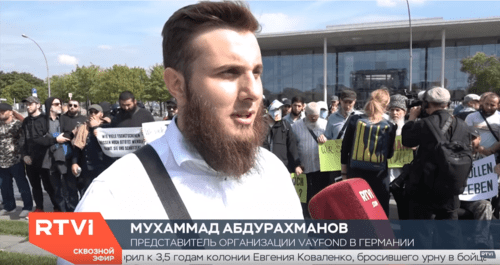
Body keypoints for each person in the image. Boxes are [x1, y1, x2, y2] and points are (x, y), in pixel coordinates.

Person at [73, 1, 303, 220]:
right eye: (229, 73)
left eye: (256, 72)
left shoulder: (274, 174)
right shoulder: (114, 199)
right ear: (176, 84)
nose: (253, 92)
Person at [402, 86, 471, 249]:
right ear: (447, 104)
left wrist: (412, 118)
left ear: (427, 104)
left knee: (422, 232)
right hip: (451, 186)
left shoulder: (425, 124)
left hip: (425, 188)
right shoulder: (462, 125)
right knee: (450, 231)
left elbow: (407, 141)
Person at [340, 89, 396, 216]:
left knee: (357, 210)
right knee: (378, 212)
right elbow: (389, 155)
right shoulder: (389, 126)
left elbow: (345, 149)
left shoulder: (354, 120)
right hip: (379, 177)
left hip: (356, 174)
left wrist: (344, 174)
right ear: (386, 105)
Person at [36, 97, 76, 212]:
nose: (60, 106)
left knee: (70, 187)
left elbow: (70, 133)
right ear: (50, 106)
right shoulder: (41, 121)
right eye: (57, 104)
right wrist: (55, 139)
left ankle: (73, 211)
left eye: (60, 103)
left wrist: (62, 137)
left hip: (66, 157)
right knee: (56, 188)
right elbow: (38, 139)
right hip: (50, 159)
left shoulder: (64, 119)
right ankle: (62, 211)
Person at [21, 96, 59, 212]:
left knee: (49, 186)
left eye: (30, 104)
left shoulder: (45, 119)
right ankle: (39, 208)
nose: (28, 106)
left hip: (45, 158)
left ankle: (57, 207)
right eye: (27, 104)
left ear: (38, 105)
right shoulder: (26, 121)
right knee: (35, 186)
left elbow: (50, 137)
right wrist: (25, 155)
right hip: (30, 159)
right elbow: (23, 140)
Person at [291, 102, 328, 218]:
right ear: (305, 113)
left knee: (319, 193)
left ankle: (318, 216)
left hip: (320, 167)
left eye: (316, 117)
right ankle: (305, 217)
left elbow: (332, 143)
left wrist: (326, 139)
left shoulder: (325, 124)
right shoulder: (296, 126)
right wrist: (296, 164)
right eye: (311, 116)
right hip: (303, 168)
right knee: (304, 196)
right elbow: (292, 147)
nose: (313, 119)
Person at [0, 103, 33, 218]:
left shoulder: (18, 125)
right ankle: (9, 206)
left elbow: (24, 141)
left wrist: (24, 155)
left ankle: (27, 207)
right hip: (2, 161)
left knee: (22, 185)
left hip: (16, 160)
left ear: (10, 111)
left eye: (3, 111)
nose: (1, 113)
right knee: (4, 186)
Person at [71, 104, 109, 197]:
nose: (92, 114)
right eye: (90, 112)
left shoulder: (107, 127)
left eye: (95, 112)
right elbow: (77, 148)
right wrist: (74, 162)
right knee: (86, 194)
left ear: (101, 114)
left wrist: (96, 127)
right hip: (86, 167)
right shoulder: (83, 127)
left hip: (102, 166)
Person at [262, 100, 301, 174]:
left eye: (279, 109)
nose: (278, 112)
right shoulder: (260, 125)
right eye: (275, 109)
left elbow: (292, 146)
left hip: (282, 166)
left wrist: (297, 165)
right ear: (269, 111)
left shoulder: (285, 125)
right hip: (264, 166)